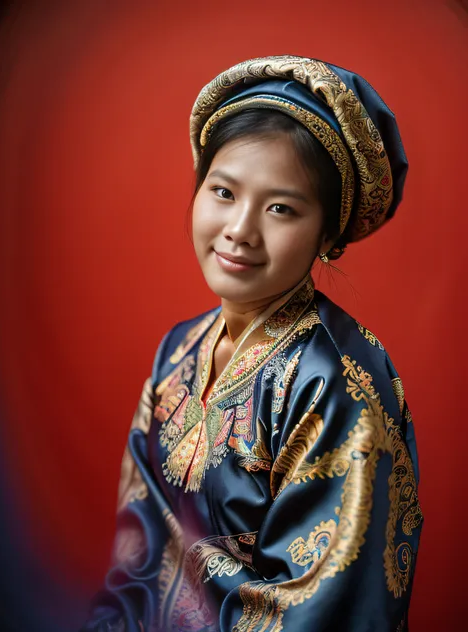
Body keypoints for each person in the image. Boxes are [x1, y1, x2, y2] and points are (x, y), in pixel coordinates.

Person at [81, 55, 423, 632]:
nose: (240, 228)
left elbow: (324, 608)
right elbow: (136, 552)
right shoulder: (178, 351)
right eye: (222, 192)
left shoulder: (335, 380)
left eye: (281, 208)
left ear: (327, 234)